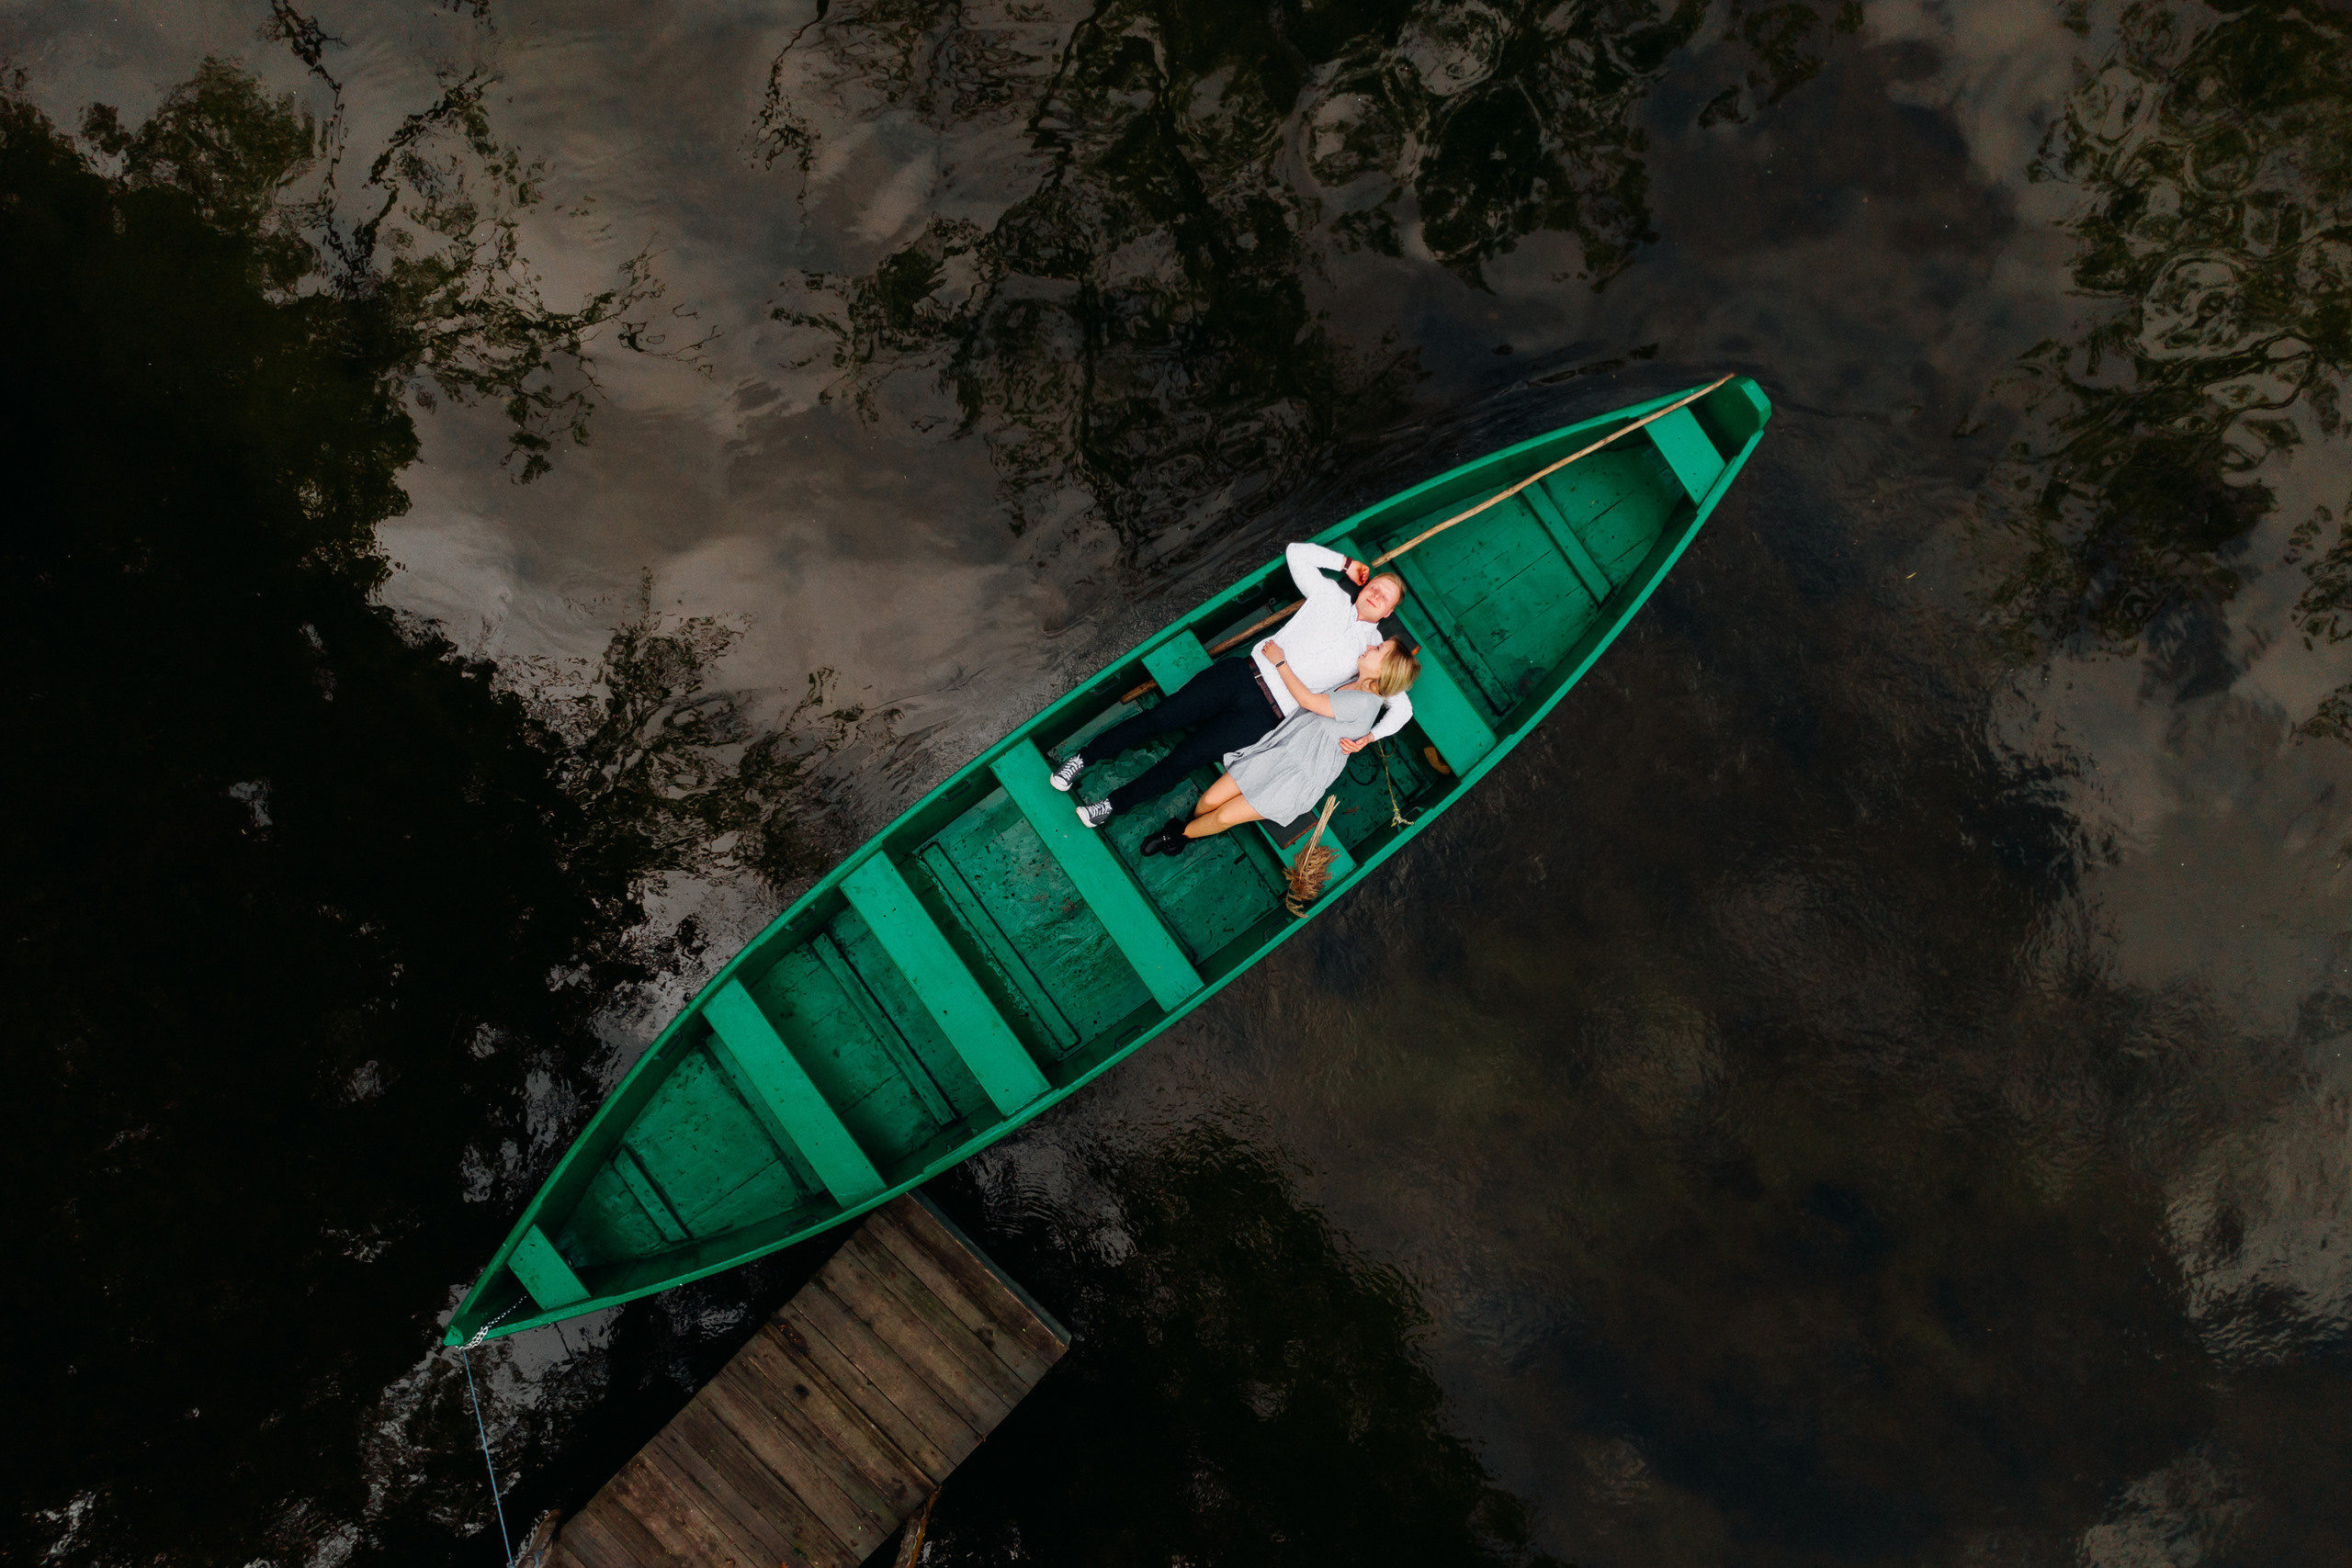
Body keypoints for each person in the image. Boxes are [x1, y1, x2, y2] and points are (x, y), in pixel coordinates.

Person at [1052, 541, 1415, 828]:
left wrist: (1370, 737)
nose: (1377, 594)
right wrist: (1346, 565)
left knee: (1185, 759)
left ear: (1387, 614)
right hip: (1241, 675)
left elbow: (1402, 707)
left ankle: (1109, 806)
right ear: (1364, 586)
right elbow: (1296, 554)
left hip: (1265, 718)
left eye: (1386, 598)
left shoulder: (1373, 654)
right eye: (1377, 586)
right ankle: (1082, 759)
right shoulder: (1330, 596)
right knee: (1159, 720)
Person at [1137, 636, 1420, 854]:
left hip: (1298, 778)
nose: (1371, 646)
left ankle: (1177, 836)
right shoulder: (1356, 683)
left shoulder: (1364, 701)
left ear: (1384, 669)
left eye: (1379, 649)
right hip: (1280, 753)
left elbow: (1308, 702)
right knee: (1209, 801)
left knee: (1224, 814)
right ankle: (1188, 827)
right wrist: (1369, 737)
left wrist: (1279, 661)